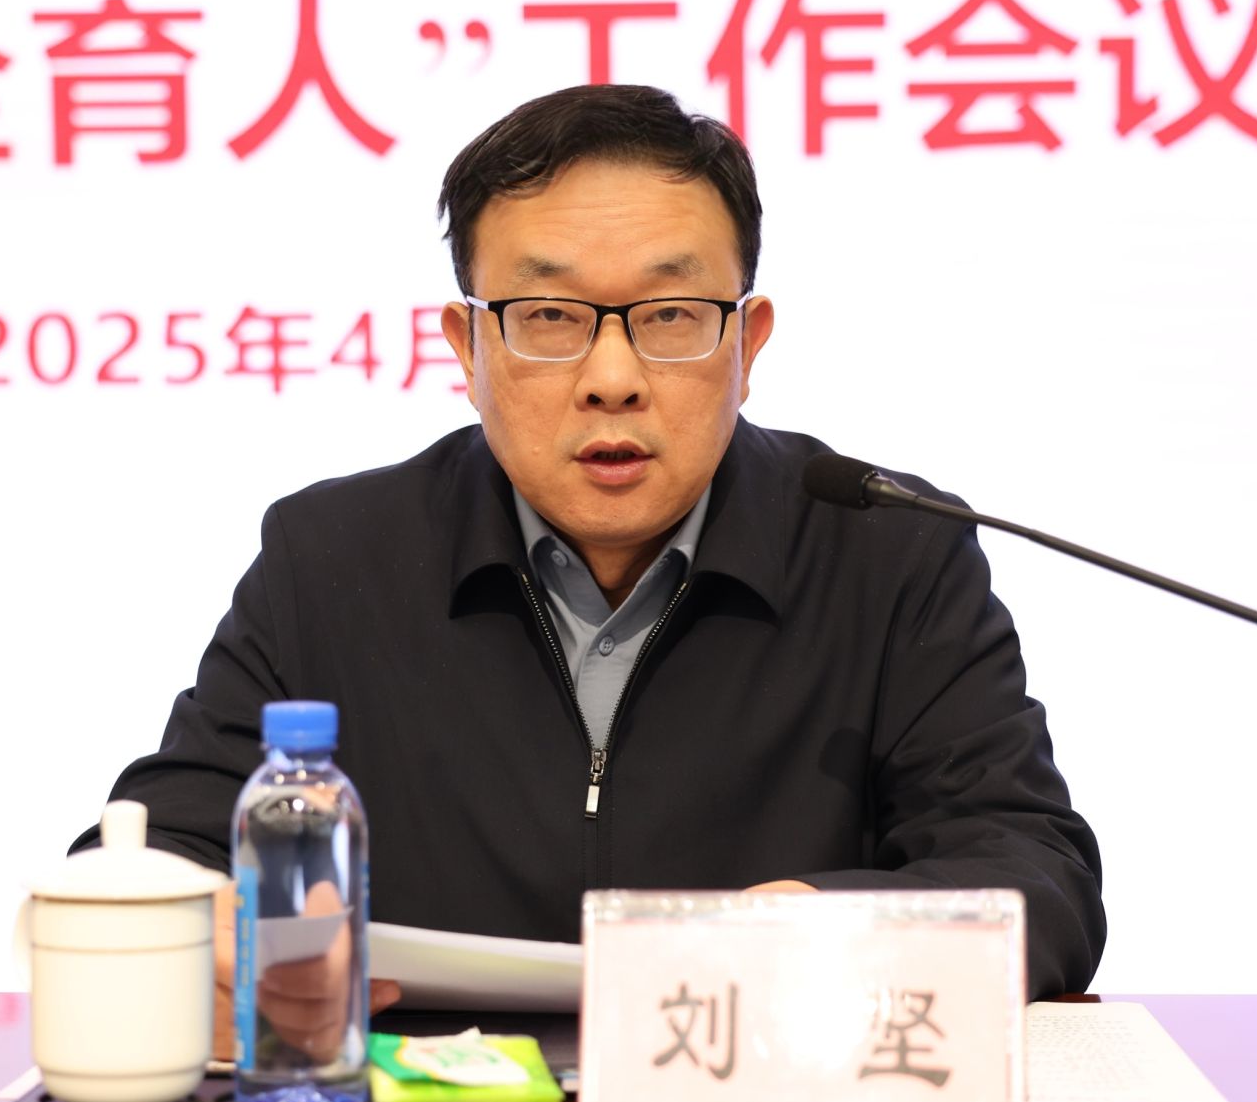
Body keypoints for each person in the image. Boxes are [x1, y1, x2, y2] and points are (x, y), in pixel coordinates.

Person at [77, 84, 1105, 1051]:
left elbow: (1035, 876)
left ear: (747, 344)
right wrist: (199, 938)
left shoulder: (887, 551)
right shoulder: (333, 557)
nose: (612, 379)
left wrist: (821, 926)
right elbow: (150, 853)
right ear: (467, 348)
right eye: (549, 318)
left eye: (670, 316)